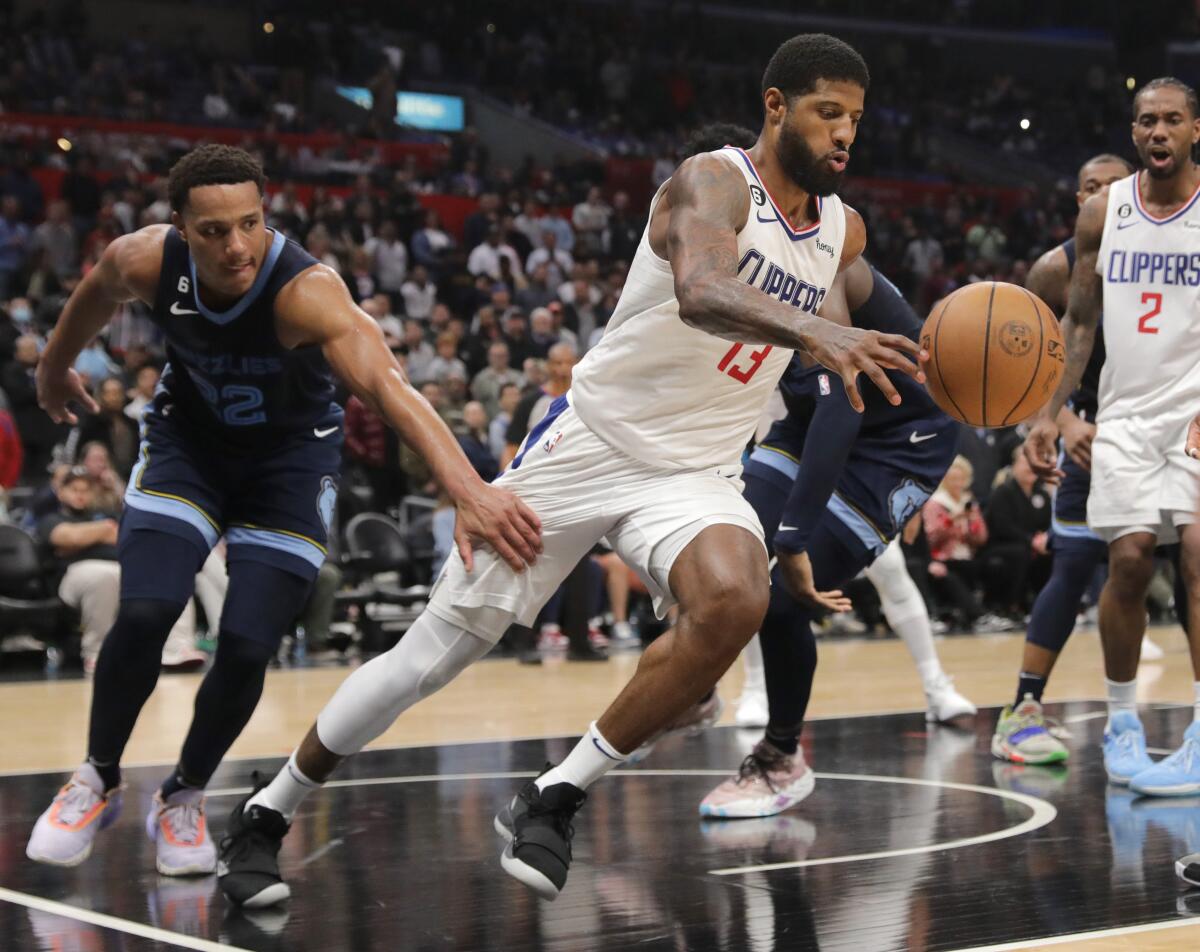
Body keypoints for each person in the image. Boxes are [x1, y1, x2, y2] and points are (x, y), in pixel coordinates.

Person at [217, 33, 923, 908]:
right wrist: (819, 331)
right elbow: (703, 292)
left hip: (698, 473)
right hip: (588, 445)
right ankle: (269, 812)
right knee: (427, 661)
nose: (844, 134)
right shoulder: (711, 182)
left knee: (738, 600)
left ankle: (557, 795)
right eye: (827, 114)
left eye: (855, 118)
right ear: (777, 108)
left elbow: (885, 344)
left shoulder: (845, 229)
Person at [25, 144, 539, 877]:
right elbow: (98, 291)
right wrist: (53, 366)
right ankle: (95, 777)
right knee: (145, 610)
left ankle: (184, 795)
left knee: (246, 641)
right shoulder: (145, 260)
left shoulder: (307, 292)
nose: (236, 245)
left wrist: (469, 488)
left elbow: (390, 388)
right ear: (180, 227)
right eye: (213, 231)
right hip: (188, 449)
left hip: (287, 466)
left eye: (250, 224)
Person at [699, 253, 970, 818]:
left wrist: (793, 539)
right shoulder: (721, 263)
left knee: (781, 605)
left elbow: (841, 405)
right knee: (719, 553)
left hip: (896, 440)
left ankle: (782, 757)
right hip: (808, 419)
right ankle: (698, 691)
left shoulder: (825, 257)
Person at [1023, 78, 1200, 796]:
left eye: (1172, 121)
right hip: (1124, 414)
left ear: (1196, 130)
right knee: (1126, 562)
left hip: (1193, 413)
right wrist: (1048, 411)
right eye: (1146, 121)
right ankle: (1122, 721)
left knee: (1196, 552)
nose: (1158, 132)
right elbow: (1079, 324)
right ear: (1133, 133)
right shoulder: (1104, 213)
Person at [991, 154, 1135, 766]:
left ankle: (1139, 722)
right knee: (1073, 561)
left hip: (1161, 431)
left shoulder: (1165, 255)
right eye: (1089, 188)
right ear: (1078, 201)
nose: (1100, 197)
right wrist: (1064, 422)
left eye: (1112, 188)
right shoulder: (1055, 269)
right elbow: (1017, 366)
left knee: (1179, 567)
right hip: (1088, 429)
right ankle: (1023, 708)